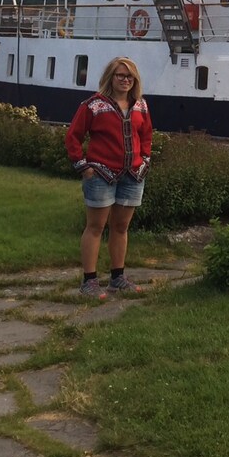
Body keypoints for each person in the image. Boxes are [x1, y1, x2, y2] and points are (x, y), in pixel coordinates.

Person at [65, 56, 153, 300]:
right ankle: (89, 281)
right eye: (120, 75)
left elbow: (146, 135)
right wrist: (83, 165)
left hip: (133, 175)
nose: (125, 80)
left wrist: (145, 160)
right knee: (95, 227)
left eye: (129, 76)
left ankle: (117, 277)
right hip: (100, 174)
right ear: (110, 78)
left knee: (121, 227)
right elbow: (73, 135)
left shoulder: (141, 106)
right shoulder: (93, 105)